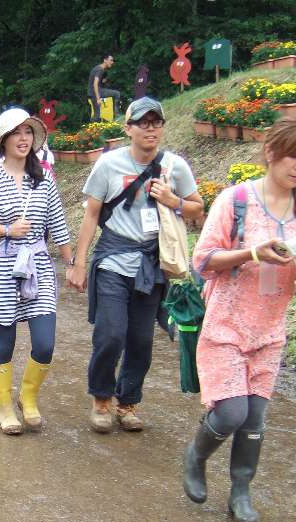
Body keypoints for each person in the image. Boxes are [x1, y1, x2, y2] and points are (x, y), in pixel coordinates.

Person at [183, 118, 296, 522]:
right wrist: (253, 253)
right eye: (293, 156)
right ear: (270, 153)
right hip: (227, 325)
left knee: (255, 418)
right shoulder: (236, 201)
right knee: (231, 412)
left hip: (270, 330)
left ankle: (241, 492)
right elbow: (203, 260)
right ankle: (196, 456)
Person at [66, 97, 202, 433]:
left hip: (152, 266)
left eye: (157, 122)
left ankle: (128, 402)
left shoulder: (176, 167)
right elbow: (91, 215)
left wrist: (174, 201)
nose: (151, 128)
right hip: (113, 260)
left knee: (141, 340)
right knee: (111, 334)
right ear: (128, 128)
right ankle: (101, 398)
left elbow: (197, 208)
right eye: (144, 122)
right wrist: (78, 264)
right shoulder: (108, 165)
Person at [0, 108, 75, 435]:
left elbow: (59, 226)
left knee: (44, 344)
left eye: (28, 132)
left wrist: (71, 264)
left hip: (38, 266)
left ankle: (28, 396)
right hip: (0, 267)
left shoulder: (44, 180)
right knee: (4, 344)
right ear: (4, 140)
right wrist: (6, 229)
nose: (24, 139)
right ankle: (4, 406)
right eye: (17, 133)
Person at [88, 54, 120, 118]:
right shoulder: (100, 69)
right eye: (111, 60)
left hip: (92, 92)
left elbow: (97, 82)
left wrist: (104, 80)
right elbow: (95, 84)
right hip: (96, 92)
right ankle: (116, 116)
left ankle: (91, 127)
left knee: (97, 115)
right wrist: (98, 98)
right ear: (105, 60)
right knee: (116, 93)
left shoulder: (98, 68)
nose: (112, 62)